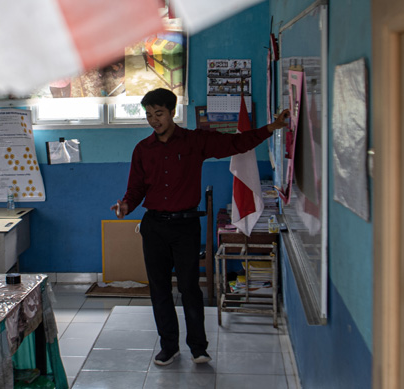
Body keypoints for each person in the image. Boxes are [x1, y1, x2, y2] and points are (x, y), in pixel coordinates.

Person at [111, 88, 289, 366]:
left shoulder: (195, 141)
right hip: (154, 226)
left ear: (172, 112)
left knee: (189, 287)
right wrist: (125, 206)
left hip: (185, 226)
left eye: (159, 114)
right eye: (148, 115)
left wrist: (272, 127)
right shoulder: (143, 150)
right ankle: (168, 347)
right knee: (159, 289)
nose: (153, 120)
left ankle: (198, 348)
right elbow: (135, 189)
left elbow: (237, 143)